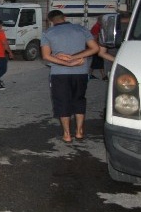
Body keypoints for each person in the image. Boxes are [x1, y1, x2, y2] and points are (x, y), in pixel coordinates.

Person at [41, 10, 99, 143]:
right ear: (65, 18)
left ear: (51, 21)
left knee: (62, 102)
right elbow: (95, 48)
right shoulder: (81, 29)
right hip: (81, 72)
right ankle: (79, 132)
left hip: (59, 74)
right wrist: (75, 58)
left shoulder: (47, 33)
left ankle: (67, 134)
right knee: (79, 99)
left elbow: (46, 56)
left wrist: (67, 63)